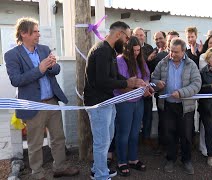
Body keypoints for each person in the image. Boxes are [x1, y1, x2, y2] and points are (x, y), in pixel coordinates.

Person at [4, 17, 79, 180]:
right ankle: (37, 174)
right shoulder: (12, 55)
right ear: (24, 33)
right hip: (33, 104)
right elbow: (16, 80)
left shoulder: (44, 49)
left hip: (52, 101)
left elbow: (56, 70)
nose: (39, 34)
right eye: (35, 31)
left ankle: (59, 167)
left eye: (38, 31)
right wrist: (40, 68)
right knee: (35, 143)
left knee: (59, 138)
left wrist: (52, 65)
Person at [84, 21, 146, 180]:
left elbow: (113, 76)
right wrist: (127, 83)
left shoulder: (109, 51)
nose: (127, 42)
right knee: (101, 142)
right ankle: (101, 176)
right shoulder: (102, 51)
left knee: (107, 138)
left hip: (108, 101)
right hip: (98, 104)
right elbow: (102, 81)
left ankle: (98, 168)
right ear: (119, 34)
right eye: (127, 38)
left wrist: (132, 81)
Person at [151, 38, 201, 175]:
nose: (172, 54)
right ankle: (170, 159)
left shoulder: (191, 65)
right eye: (171, 51)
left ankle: (187, 160)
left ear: (184, 51)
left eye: (176, 52)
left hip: (185, 106)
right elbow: (153, 79)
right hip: (167, 106)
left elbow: (197, 84)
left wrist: (181, 92)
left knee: (186, 135)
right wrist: (157, 84)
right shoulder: (163, 63)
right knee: (169, 134)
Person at [114, 36, 152, 176]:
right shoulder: (119, 61)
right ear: (127, 49)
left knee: (135, 131)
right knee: (123, 133)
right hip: (124, 101)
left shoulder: (140, 60)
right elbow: (120, 83)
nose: (136, 53)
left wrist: (146, 85)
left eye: (138, 50)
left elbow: (146, 75)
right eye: (134, 51)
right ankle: (122, 161)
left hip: (138, 101)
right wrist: (139, 88)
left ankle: (133, 159)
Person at [132, 27, 154, 146]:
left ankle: (146, 137)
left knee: (148, 114)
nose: (140, 37)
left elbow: (148, 68)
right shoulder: (130, 49)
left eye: (142, 35)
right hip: (133, 89)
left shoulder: (149, 48)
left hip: (146, 85)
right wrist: (148, 58)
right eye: (138, 35)